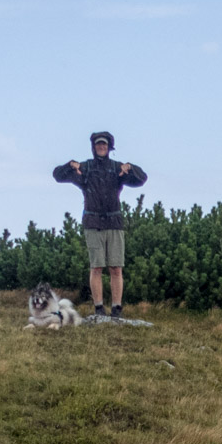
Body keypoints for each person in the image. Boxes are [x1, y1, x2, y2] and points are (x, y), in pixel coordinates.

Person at [52, 131, 147, 317]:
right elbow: (58, 175)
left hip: (114, 222)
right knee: (96, 267)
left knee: (116, 268)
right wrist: (70, 165)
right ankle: (99, 308)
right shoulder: (84, 168)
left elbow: (141, 179)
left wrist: (131, 167)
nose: (101, 147)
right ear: (93, 147)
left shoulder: (117, 168)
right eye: (98, 144)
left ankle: (117, 309)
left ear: (109, 147)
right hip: (93, 222)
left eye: (104, 144)